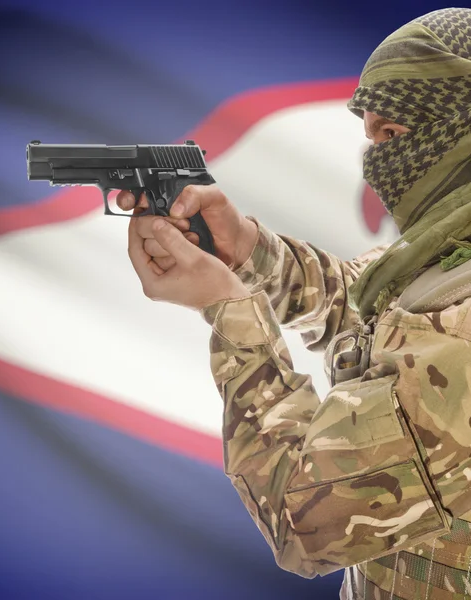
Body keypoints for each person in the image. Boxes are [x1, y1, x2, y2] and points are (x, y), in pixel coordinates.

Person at [117, 8, 471, 599]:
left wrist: (229, 310)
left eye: (392, 135)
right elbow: (370, 307)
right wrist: (248, 250)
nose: (376, 160)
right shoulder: (449, 254)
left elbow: (304, 522)